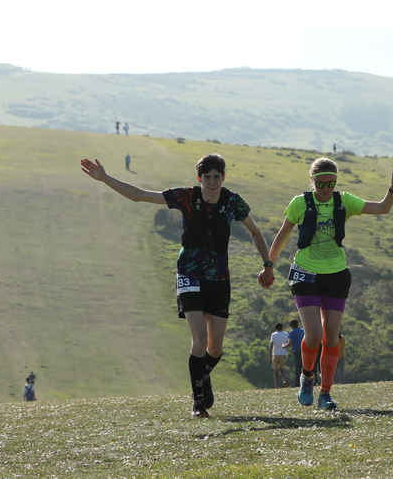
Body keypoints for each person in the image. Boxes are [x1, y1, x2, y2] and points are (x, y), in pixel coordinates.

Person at [81, 153, 275, 418]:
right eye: (207, 177)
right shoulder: (186, 196)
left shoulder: (232, 202)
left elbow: (254, 231)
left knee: (215, 348)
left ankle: (201, 378)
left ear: (223, 178)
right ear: (199, 178)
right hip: (189, 274)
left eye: (217, 177)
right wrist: (105, 179)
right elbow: (139, 195)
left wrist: (267, 264)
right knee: (199, 340)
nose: (212, 183)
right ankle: (198, 403)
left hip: (219, 279)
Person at [264, 157, 393, 410]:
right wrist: (268, 266)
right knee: (313, 334)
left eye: (331, 184)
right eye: (321, 184)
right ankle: (307, 377)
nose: (326, 189)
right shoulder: (300, 204)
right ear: (313, 181)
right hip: (305, 273)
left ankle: (326, 394)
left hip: (337, 274)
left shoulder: (343, 201)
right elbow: (283, 235)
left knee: (332, 337)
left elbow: (382, 208)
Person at [269, 323, 290, 388]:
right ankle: (284, 380)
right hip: (283, 353)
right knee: (282, 368)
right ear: (282, 327)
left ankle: (276, 386)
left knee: (275, 371)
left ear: (276, 328)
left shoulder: (273, 334)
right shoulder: (286, 334)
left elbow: (271, 345)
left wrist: (270, 356)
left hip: (275, 354)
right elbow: (288, 343)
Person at [285, 319, 304, 386]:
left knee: (298, 367)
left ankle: (297, 383)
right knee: (305, 366)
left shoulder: (292, 333)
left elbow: (289, 343)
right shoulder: (303, 331)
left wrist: (283, 346)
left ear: (291, 326)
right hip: (304, 350)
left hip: (296, 351)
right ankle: (307, 382)